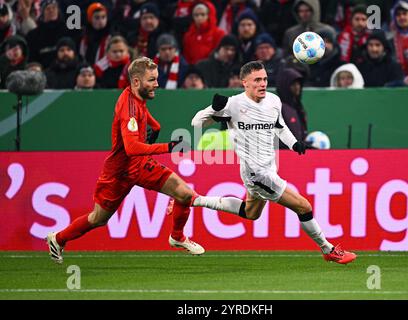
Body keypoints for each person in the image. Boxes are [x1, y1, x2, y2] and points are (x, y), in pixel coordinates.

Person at [191, 61, 357, 264]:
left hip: (269, 166)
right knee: (303, 207)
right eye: (257, 80)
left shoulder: (273, 101)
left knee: (251, 213)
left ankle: (193, 199)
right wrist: (214, 110)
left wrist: (294, 143)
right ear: (244, 83)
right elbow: (196, 123)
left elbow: (279, 127)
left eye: (265, 79)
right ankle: (328, 249)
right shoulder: (233, 104)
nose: (262, 84)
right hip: (257, 173)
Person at [46, 57, 206, 264]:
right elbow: (131, 148)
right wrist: (168, 146)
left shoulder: (136, 96)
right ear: (137, 81)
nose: (157, 84)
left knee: (184, 194)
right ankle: (57, 239)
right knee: (98, 219)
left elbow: (145, 115)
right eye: (152, 80)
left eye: (156, 79)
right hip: (119, 172)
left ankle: (177, 237)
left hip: (139, 165)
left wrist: (155, 128)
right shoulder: (128, 108)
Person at [26, 0, 80, 69]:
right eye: (48, 9)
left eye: (54, 8)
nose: (51, 11)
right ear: (42, 13)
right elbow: (32, 60)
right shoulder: (33, 35)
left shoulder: (69, 30)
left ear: (58, 10)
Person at [276, 67, 308, 147]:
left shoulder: (299, 107)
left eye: (298, 84)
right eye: (293, 84)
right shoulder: (279, 108)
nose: (297, 87)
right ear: (284, 85)